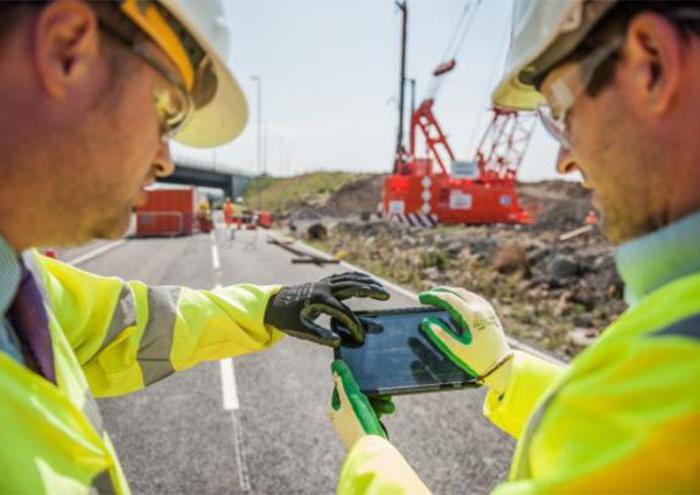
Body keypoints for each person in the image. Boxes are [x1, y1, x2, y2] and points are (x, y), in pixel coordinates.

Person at [0, 1, 389, 493]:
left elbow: (131, 326)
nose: (165, 161)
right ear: (64, 50)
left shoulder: (20, 284)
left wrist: (268, 309)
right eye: (169, 111)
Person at [327, 1, 700, 492]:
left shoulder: (671, 367)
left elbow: (627, 414)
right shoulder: (667, 353)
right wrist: (507, 373)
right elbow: (624, 420)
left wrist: (367, 454)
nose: (564, 159)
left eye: (561, 114)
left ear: (651, 63)